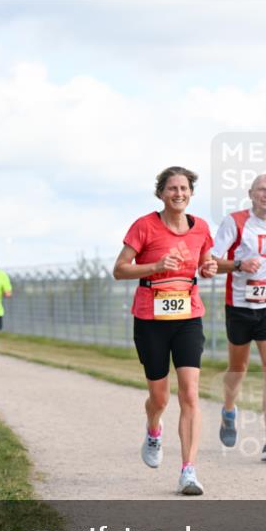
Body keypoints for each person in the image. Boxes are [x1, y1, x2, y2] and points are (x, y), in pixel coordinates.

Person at [113, 166, 217, 496]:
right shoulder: (144, 226)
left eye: (184, 188)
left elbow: (206, 261)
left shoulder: (200, 227)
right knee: (160, 397)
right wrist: (155, 266)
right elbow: (119, 270)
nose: (178, 193)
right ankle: (154, 430)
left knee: (189, 392)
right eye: (171, 188)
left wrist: (209, 267)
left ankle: (188, 470)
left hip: (188, 316)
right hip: (150, 320)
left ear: (191, 192)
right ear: (161, 193)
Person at [211, 173, 266, 462]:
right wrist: (238, 264)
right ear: (251, 193)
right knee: (239, 367)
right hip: (240, 306)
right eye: (261, 190)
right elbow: (210, 262)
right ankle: (229, 410)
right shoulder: (234, 222)